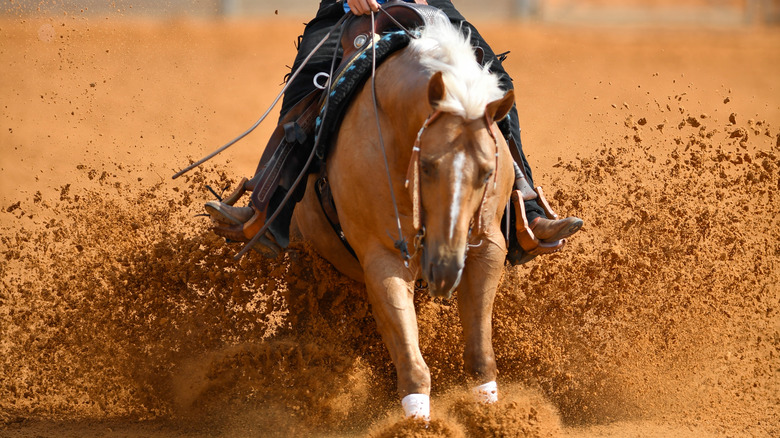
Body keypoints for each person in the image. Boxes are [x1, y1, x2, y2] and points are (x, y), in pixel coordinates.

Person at [205, 0, 582, 264]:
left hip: (430, 7)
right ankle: (270, 208)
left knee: (495, 84)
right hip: (347, 7)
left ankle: (525, 212)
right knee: (309, 83)